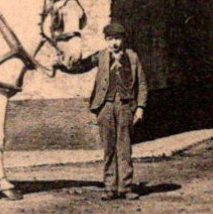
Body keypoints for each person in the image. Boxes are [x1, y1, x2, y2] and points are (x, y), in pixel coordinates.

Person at [58, 21, 147, 199]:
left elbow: (142, 84)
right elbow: (81, 66)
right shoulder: (100, 56)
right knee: (108, 148)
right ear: (106, 40)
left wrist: (140, 107)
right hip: (105, 107)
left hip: (125, 107)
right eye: (111, 39)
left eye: (118, 39)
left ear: (123, 40)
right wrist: (62, 65)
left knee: (124, 147)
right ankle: (109, 187)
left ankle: (125, 188)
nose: (115, 43)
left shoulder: (132, 57)